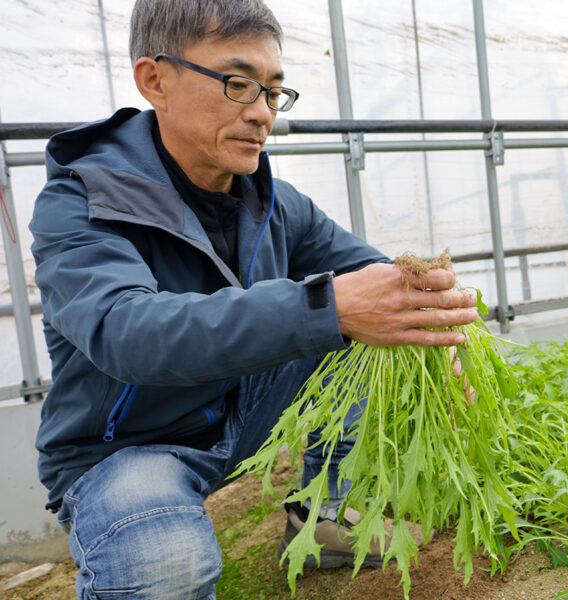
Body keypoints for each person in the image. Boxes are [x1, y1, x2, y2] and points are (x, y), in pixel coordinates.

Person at [29, 1, 477, 598]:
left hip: (242, 414)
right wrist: (333, 308)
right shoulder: (84, 201)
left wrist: (431, 329)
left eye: (273, 92)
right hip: (129, 449)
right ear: (154, 79)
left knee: (360, 317)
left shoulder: (273, 200)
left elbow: (374, 277)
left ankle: (325, 516)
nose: (262, 114)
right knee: (167, 567)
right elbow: (125, 331)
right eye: (238, 84)